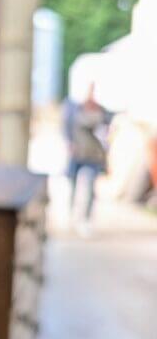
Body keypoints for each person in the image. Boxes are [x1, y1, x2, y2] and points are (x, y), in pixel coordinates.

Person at [63, 84, 110, 236]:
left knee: (90, 187)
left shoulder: (101, 112)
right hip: (78, 152)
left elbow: (106, 131)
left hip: (93, 154)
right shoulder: (75, 109)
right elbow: (66, 127)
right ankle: (71, 215)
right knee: (73, 185)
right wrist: (69, 143)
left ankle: (85, 219)